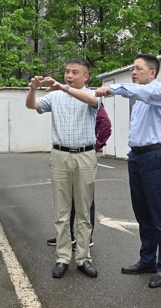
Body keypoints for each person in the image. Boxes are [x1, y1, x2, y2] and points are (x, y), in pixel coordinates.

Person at [95, 54, 161, 288]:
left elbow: (139, 91)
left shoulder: (160, 90)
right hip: (138, 157)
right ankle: (148, 259)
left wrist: (113, 88)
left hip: (154, 157)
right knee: (142, 213)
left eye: (138, 68)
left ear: (152, 72)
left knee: (159, 214)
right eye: (132, 68)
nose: (134, 72)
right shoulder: (140, 98)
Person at [26, 58, 101, 279]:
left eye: (75, 72)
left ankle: (84, 258)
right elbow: (33, 105)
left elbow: (91, 100)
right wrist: (32, 90)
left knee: (84, 212)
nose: (69, 75)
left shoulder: (92, 94)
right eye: (67, 72)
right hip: (60, 155)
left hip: (85, 155)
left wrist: (64, 87)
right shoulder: (55, 96)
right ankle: (62, 257)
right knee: (62, 211)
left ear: (86, 77)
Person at [46, 102, 112, 248]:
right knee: (66, 199)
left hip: (83, 155)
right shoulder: (65, 99)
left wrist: (96, 146)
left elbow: (105, 125)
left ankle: (86, 238)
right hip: (65, 155)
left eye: (76, 77)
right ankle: (66, 237)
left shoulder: (92, 101)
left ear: (85, 78)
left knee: (85, 199)